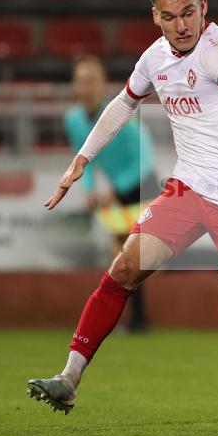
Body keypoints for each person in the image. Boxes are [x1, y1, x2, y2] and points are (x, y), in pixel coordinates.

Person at [27, 0, 218, 414]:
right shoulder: (154, 58)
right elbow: (124, 103)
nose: (182, 26)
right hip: (188, 190)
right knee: (123, 269)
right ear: (155, 16)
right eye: (170, 16)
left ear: (204, 7)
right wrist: (82, 158)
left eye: (189, 13)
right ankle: (69, 377)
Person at [65, 55, 158, 333]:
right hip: (116, 191)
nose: (87, 87)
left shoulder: (120, 116)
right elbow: (84, 157)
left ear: (103, 84)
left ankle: (137, 320)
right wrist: (89, 189)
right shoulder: (73, 120)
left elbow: (145, 158)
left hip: (141, 185)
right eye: (82, 81)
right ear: (75, 86)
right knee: (124, 257)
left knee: (130, 256)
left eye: (92, 81)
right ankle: (137, 320)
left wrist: (113, 190)